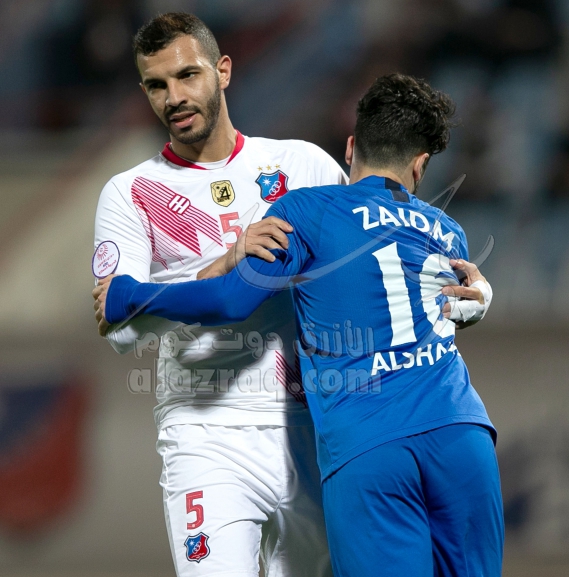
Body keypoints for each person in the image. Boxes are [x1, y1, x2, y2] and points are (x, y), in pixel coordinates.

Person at [93, 11, 493, 577]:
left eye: (187, 75)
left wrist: (480, 286)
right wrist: (221, 263)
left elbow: (382, 243)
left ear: (222, 70)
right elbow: (121, 332)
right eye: (157, 85)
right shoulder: (130, 192)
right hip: (204, 431)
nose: (174, 96)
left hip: (308, 427)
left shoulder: (301, 164)